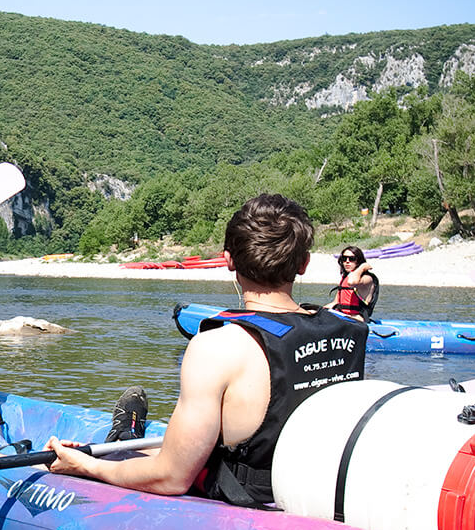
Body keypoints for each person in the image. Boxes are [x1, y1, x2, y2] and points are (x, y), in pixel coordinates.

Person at [44, 193, 369, 507]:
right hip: (315, 486)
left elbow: (172, 478)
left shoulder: (217, 347)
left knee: (116, 460)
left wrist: (87, 467)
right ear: (304, 264)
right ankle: (123, 438)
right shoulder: (351, 331)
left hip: (249, 498)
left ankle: (118, 442)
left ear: (228, 260)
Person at [324, 245, 379, 320]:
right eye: (344, 258)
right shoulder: (345, 278)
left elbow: (352, 282)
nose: (347, 261)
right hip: (342, 316)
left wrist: (362, 267)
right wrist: (319, 311)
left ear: (358, 261)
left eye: (351, 259)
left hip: (357, 320)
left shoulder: (367, 278)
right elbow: (335, 302)